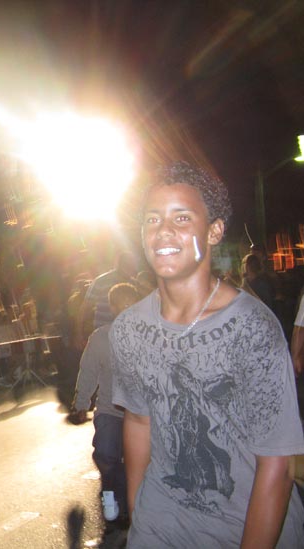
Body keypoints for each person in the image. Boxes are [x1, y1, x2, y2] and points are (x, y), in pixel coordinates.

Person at [111, 161, 304, 547]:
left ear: (214, 231)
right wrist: (140, 515)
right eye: (152, 219)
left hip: (246, 527)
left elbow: (278, 465)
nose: (163, 230)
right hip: (161, 524)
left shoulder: (253, 328)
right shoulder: (129, 328)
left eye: (181, 218)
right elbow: (138, 422)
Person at [69, 283, 141, 526]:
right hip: (110, 412)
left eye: (130, 304)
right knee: (106, 454)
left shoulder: (148, 336)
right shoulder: (100, 337)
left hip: (142, 416)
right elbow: (88, 371)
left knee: (139, 463)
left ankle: (134, 505)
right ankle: (111, 493)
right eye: (120, 305)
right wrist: (81, 404)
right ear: (112, 307)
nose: (125, 309)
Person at [75, 251, 137, 349]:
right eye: (130, 264)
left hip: (126, 335)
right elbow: (86, 308)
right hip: (105, 334)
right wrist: (79, 334)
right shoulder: (101, 281)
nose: (133, 268)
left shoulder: (133, 283)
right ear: (121, 264)